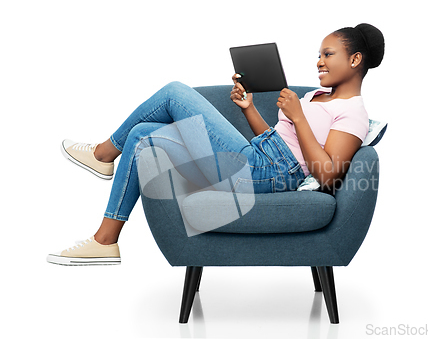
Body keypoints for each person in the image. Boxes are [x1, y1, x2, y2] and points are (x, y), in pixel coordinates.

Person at [47, 23, 385, 266]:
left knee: (175, 91)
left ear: (355, 60)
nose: (319, 61)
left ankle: (103, 154)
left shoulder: (353, 112)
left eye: (328, 54)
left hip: (269, 174)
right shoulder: (316, 95)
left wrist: (298, 116)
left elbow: (327, 175)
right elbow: (277, 140)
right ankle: (105, 240)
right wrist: (249, 108)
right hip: (259, 157)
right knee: (142, 135)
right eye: (319, 54)